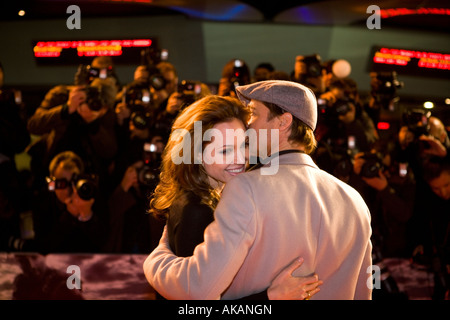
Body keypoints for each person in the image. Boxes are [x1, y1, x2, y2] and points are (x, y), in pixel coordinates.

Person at [144, 80, 373, 300]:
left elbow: (198, 290)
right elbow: (364, 292)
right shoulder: (356, 200)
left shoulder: (245, 188)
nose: (249, 123)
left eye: (254, 113)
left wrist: (157, 258)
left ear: (283, 122)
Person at [31, 151, 109, 253]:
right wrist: (68, 217)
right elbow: (42, 248)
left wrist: (87, 215)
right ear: (52, 183)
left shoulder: (91, 198)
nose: (68, 189)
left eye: (74, 182)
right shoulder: (43, 205)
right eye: (62, 184)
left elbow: (103, 243)